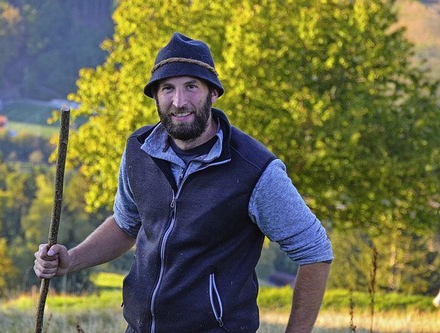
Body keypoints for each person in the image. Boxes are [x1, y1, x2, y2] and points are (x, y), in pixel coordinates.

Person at [34, 32, 333, 333]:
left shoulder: (254, 170)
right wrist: (70, 260)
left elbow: (315, 251)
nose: (179, 102)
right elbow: (127, 225)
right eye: (167, 89)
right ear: (155, 96)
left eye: (191, 87)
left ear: (213, 93)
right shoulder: (139, 151)